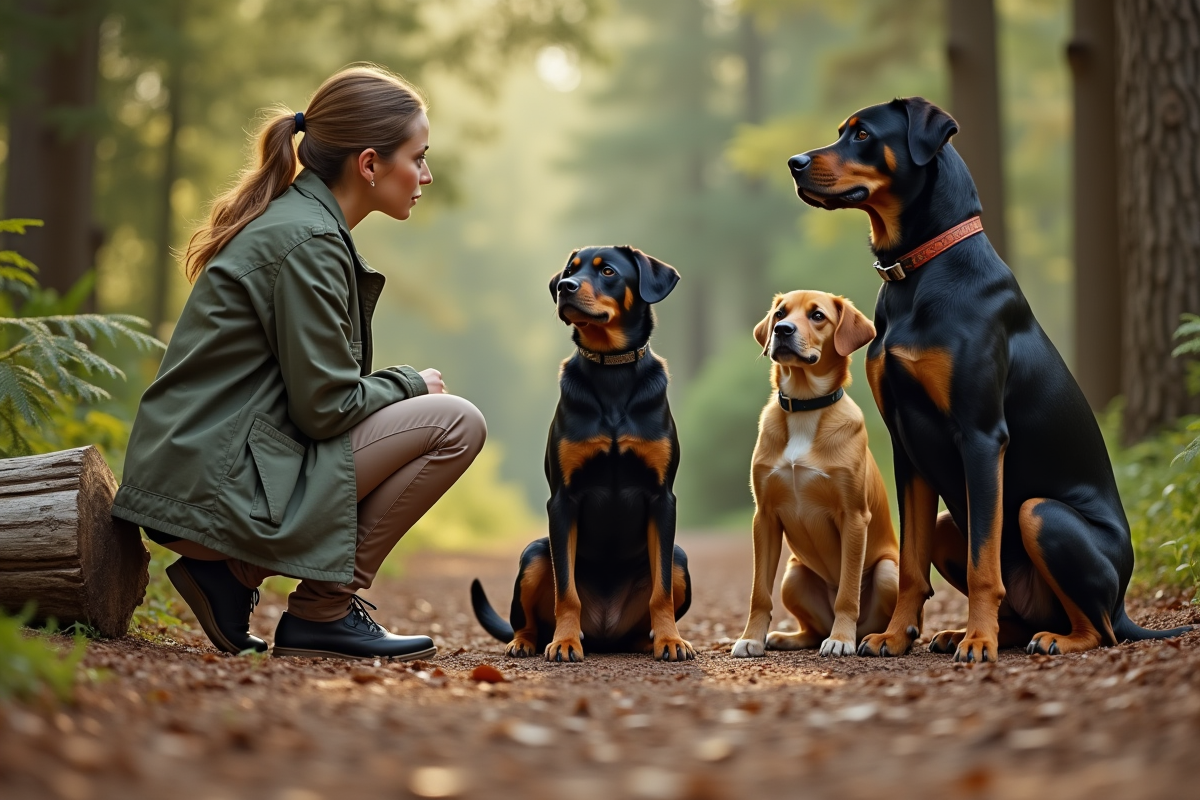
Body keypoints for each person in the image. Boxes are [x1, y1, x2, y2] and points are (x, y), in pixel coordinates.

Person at [112, 65, 486, 661]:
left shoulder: (303, 225)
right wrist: (408, 383)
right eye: (418, 158)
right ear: (369, 164)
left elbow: (315, 398)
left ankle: (232, 575)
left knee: (428, 414)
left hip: (203, 475)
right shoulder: (309, 240)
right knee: (455, 422)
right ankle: (323, 612)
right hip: (211, 487)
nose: (426, 175)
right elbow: (326, 408)